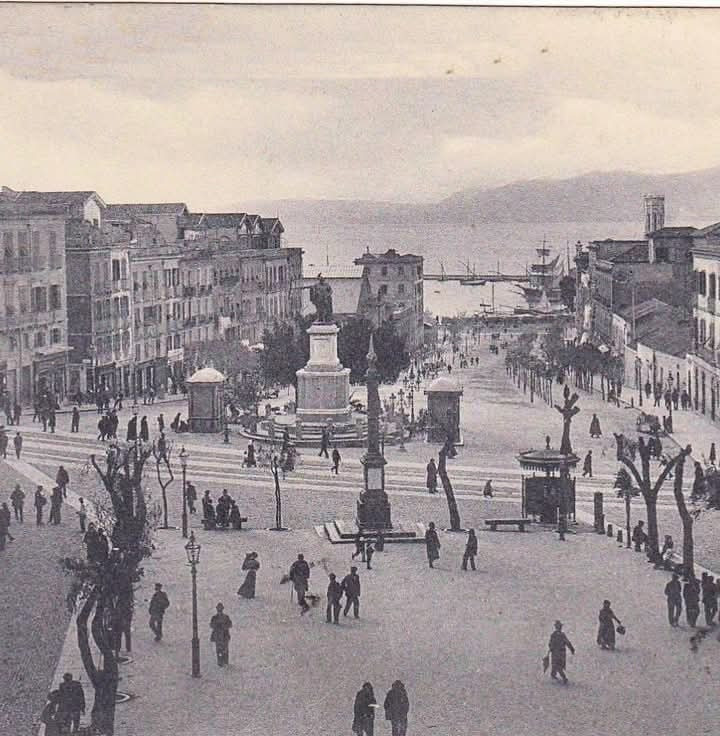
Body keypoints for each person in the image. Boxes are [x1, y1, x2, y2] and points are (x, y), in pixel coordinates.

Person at [209, 603, 232, 667]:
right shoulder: (214, 617)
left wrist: (224, 626)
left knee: (225, 649)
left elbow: (230, 624)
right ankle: (220, 662)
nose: (219, 610)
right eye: (218, 609)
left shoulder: (226, 617)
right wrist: (216, 626)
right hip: (218, 636)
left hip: (224, 635)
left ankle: (225, 661)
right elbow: (211, 625)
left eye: (220, 609)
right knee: (219, 649)